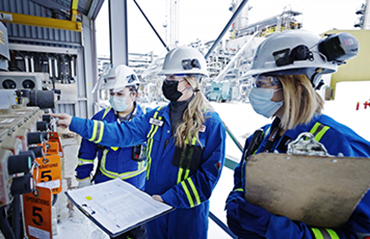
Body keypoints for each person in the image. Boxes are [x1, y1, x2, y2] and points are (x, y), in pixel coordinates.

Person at [52, 46, 226, 239]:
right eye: (166, 79)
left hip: (185, 216)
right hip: (153, 210)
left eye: (171, 79)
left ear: (190, 82)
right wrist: (75, 123)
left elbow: (207, 178)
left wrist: (169, 199)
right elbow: (120, 133)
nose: (166, 83)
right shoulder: (156, 117)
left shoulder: (209, 123)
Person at [225, 30, 370, 239]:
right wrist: (235, 204)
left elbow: (362, 232)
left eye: (263, 81)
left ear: (297, 87)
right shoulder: (260, 138)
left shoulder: (339, 145)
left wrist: (282, 231)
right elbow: (241, 183)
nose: (256, 90)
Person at [76, 64, 148, 239]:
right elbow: (86, 153)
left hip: (137, 189)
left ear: (134, 94)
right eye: (112, 94)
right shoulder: (100, 119)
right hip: (106, 188)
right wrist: (83, 178)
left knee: (139, 233)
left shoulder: (148, 119)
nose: (114, 98)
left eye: (120, 94)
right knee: (114, 232)